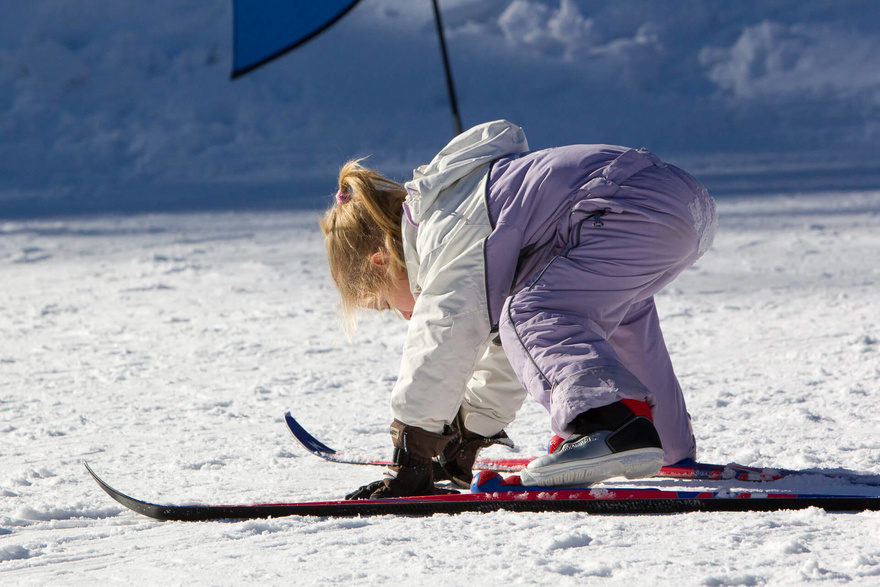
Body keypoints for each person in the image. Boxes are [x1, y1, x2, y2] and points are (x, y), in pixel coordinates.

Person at [320, 120, 717, 499]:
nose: (402, 315)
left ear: (381, 261)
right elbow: (511, 355)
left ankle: (609, 426)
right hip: (679, 202)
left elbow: (444, 332)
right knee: (619, 321)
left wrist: (413, 454)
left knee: (530, 311)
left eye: (384, 304)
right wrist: (466, 434)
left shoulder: (448, 226)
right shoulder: (465, 206)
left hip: (627, 207)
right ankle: (665, 444)